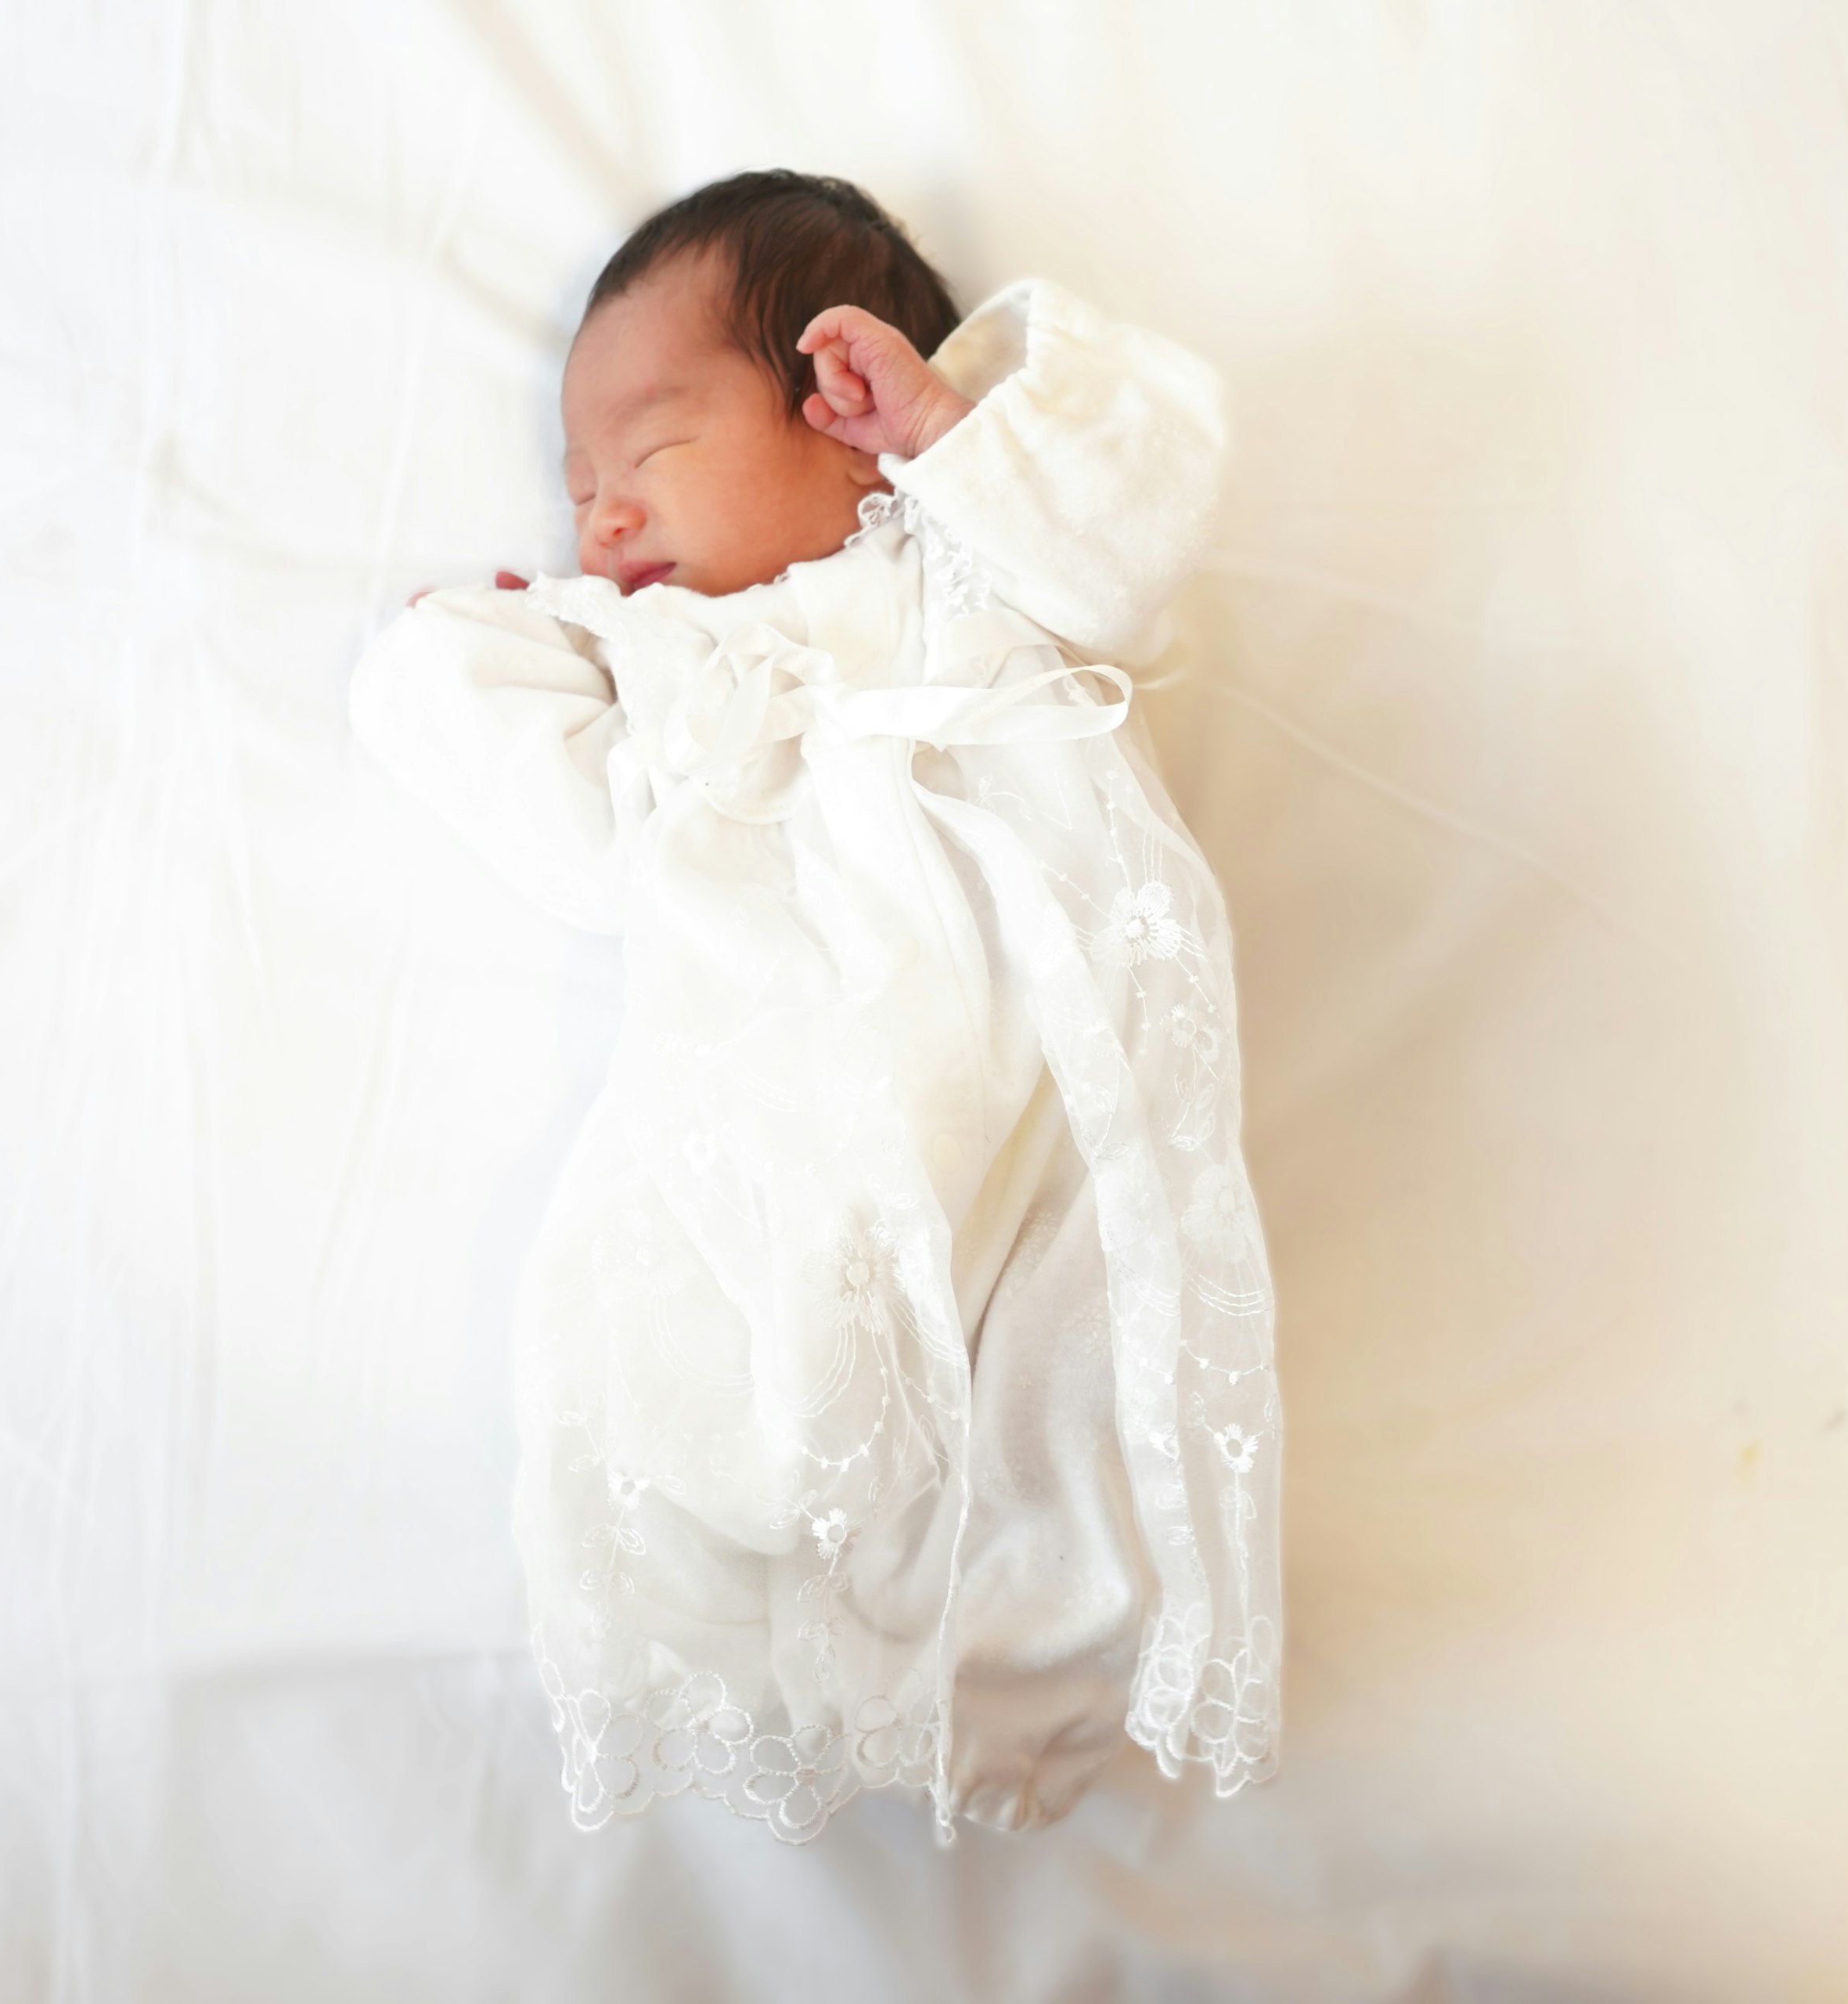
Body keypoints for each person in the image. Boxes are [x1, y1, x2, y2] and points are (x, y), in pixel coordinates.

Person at [350, 171, 1281, 1845]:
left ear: (841, 407)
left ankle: (1028, 1692)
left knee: (1069, 1378)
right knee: (737, 1387)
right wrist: (455, 653)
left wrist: (950, 429)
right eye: (579, 486)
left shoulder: (968, 566)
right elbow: (580, 851)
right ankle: (770, 1662)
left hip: (1040, 1085)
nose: (604, 516)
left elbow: (1141, 522)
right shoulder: (683, 675)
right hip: (785, 1112)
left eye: (647, 449)